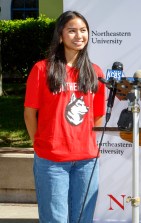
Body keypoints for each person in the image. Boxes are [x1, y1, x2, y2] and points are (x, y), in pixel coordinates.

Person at [24, 11, 106, 223]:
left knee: (82, 219)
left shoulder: (95, 72)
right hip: (52, 161)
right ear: (60, 36)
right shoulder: (42, 69)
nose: (79, 35)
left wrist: (84, 142)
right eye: (72, 30)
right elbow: (29, 113)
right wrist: (40, 144)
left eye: (83, 30)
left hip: (87, 161)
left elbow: (98, 115)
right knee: (55, 220)